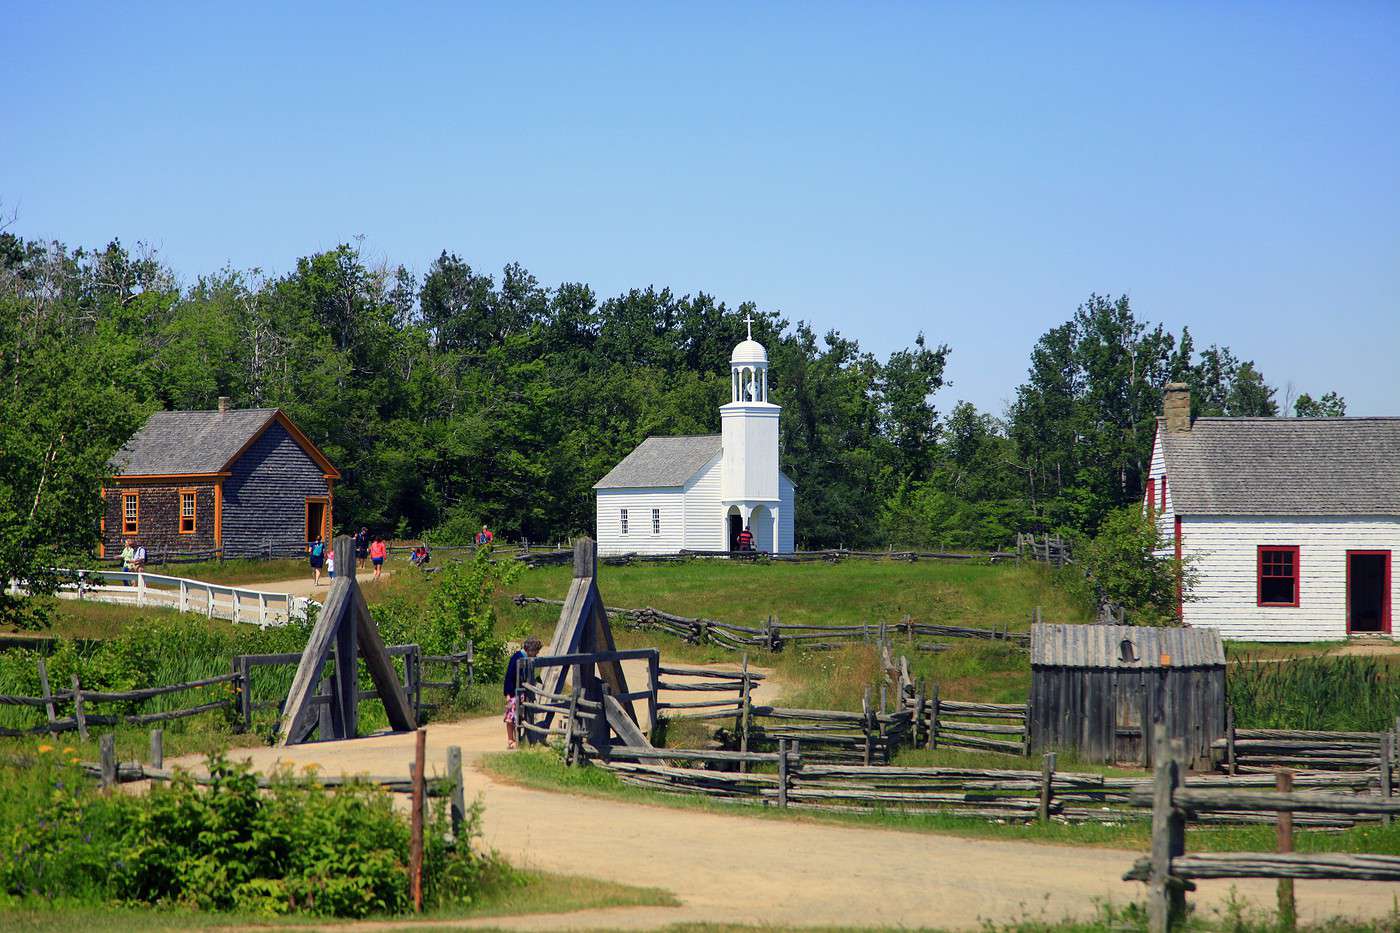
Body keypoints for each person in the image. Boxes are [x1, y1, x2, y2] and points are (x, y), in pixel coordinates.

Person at [503, 636, 543, 749]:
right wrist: (508, 694)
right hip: (513, 692)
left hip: (521, 693)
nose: (536, 654)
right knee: (511, 716)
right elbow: (509, 677)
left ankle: (520, 740)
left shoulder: (526, 659)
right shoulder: (517, 657)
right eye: (536, 651)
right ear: (529, 649)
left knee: (520, 716)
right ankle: (511, 740)